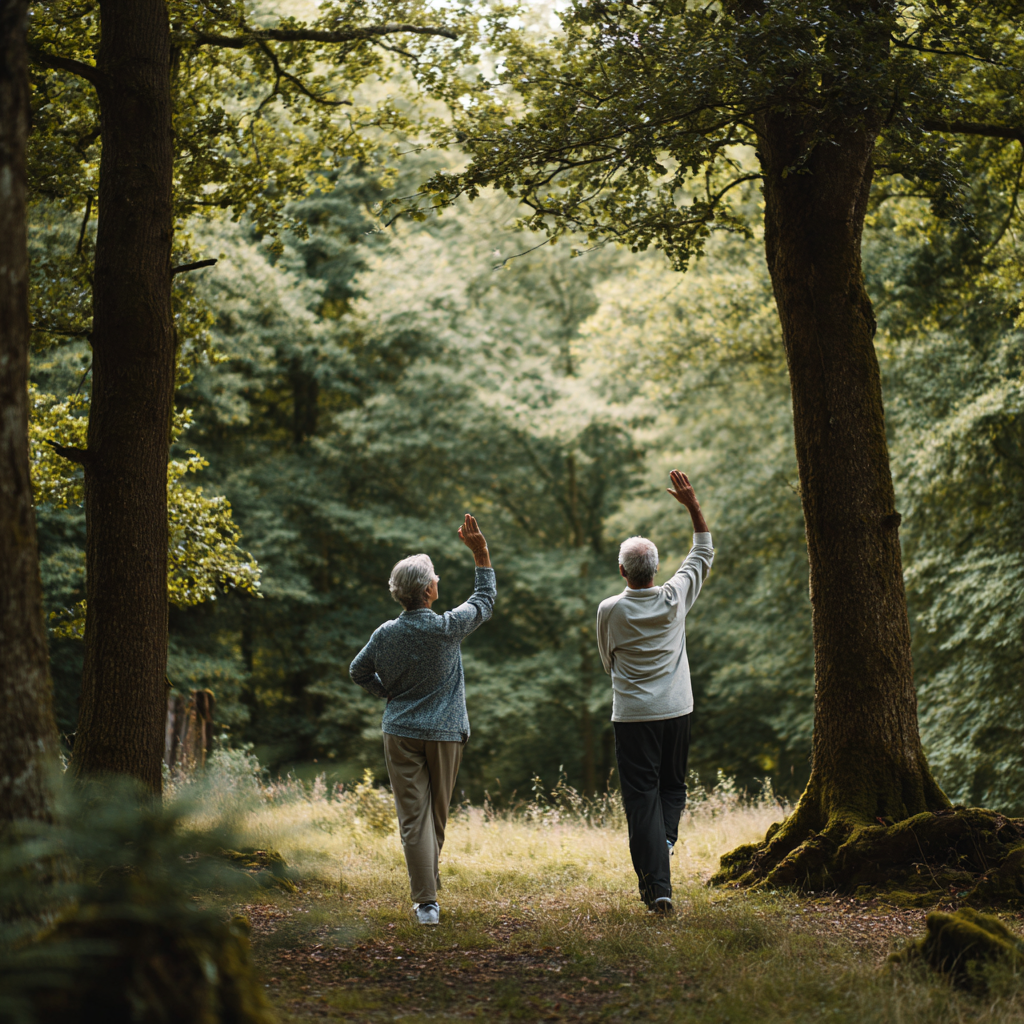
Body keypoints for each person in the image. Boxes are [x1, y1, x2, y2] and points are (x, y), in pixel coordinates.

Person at [349, 514, 495, 926]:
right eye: (435, 578)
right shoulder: (447, 628)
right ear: (428, 589)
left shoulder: (384, 634)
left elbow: (357, 671)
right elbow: (484, 601)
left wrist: (387, 693)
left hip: (399, 732)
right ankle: (428, 897)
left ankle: (426, 902)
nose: (438, 582)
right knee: (436, 817)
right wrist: (481, 553)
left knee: (415, 818)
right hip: (445, 733)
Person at [596, 471, 714, 915]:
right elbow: (702, 551)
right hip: (677, 709)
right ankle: (661, 846)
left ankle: (657, 886)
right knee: (672, 787)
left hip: (632, 715)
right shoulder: (675, 596)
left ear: (623, 570)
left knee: (641, 797)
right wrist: (692, 505)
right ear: (657, 568)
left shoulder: (610, 609)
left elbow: (607, 658)